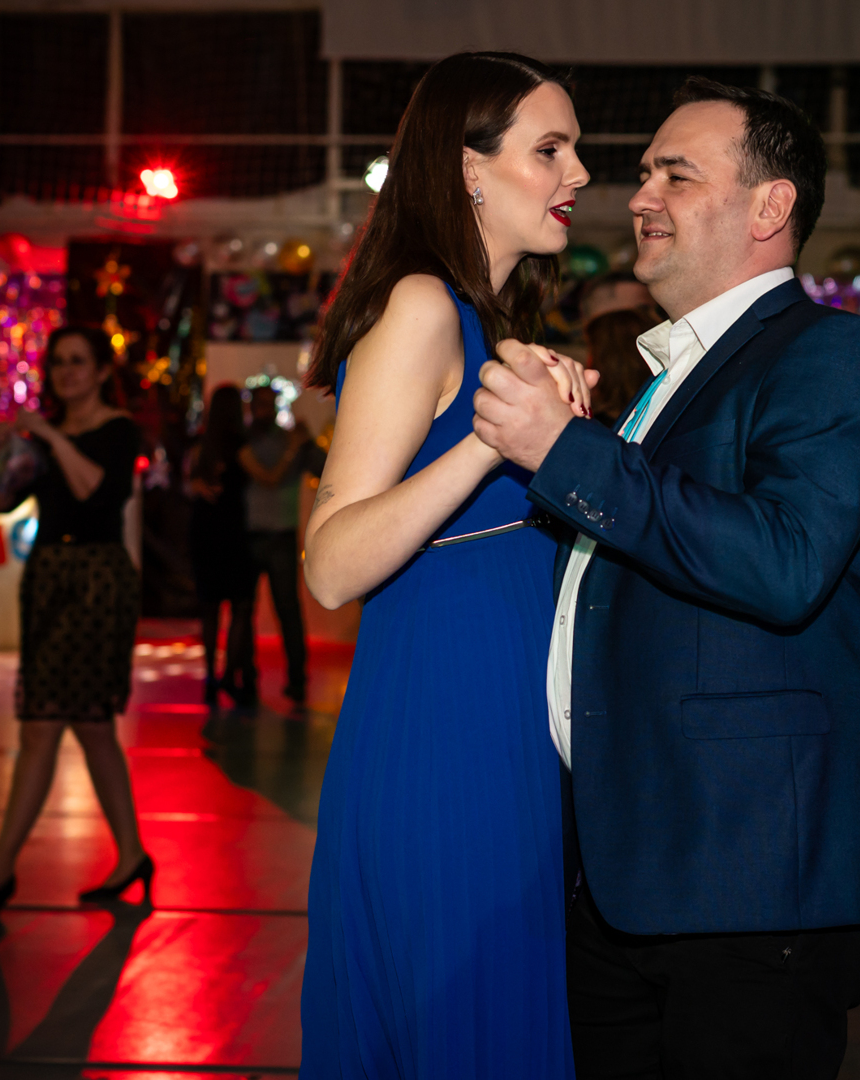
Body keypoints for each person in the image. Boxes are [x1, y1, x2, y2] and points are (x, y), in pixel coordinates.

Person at [472, 77, 860, 1077]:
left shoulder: (831, 352)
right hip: (628, 865)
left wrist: (563, 452)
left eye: (677, 174)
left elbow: (784, 562)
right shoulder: (671, 378)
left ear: (770, 206)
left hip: (746, 871)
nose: (639, 197)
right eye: (644, 174)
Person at [298, 52, 594, 1077]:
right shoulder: (423, 305)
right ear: (470, 167)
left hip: (505, 729)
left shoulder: (488, 323)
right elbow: (331, 563)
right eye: (549, 149)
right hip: (443, 733)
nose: (578, 174)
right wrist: (492, 436)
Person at [0, 326, 151, 911]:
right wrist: (8, 449)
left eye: (78, 361)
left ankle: (0, 869)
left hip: (96, 583)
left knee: (55, 724)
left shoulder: (117, 430)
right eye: (58, 362)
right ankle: (131, 855)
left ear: (102, 371)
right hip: (50, 580)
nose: (67, 371)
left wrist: (51, 436)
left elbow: (93, 491)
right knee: (80, 726)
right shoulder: (44, 434)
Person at [238, 384, 326, 703]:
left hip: (280, 534)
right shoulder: (245, 440)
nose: (262, 409)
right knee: (246, 612)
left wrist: (308, 441)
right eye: (258, 403)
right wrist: (298, 445)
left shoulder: (291, 439)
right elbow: (269, 478)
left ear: (276, 406)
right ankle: (248, 679)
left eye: (267, 403)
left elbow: (324, 467)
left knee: (287, 610)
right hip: (250, 535)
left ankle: (297, 679)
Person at [189, 384, 259, 709]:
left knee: (210, 608)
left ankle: (209, 677)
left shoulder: (201, 448)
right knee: (241, 606)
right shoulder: (241, 448)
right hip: (233, 532)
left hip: (204, 531)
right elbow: (267, 477)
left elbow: (189, 484)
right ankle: (230, 674)